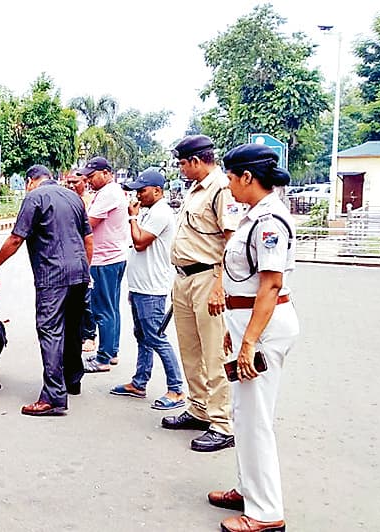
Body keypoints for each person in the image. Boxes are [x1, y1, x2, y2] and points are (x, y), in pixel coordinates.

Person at [207, 144, 297, 532]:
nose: (227, 183)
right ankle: (248, 489)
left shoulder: (269, 221)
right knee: (244, 414)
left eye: (230, 176)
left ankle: (265, 512)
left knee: (255, 417)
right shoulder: (254, 216)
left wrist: (248, 342)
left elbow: (271, 284)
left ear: (247, 177)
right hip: (249, 323)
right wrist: (235, 328)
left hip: (265, 328)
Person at [0, 165, 93, 416]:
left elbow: (15, 238)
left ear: (31, 181)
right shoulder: (73, 196)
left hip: (52, 275)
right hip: (78, 271)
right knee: (73, 327)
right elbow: (88, 239)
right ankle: (72, 380)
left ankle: (54, 397)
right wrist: (85, 271)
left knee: (51, 331)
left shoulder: (35, 197)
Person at [161, 134, 240, 453]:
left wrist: (221, 284)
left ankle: (221, 423)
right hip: (185, 278)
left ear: (195, 161)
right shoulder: (195, 189)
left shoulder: (221, 189)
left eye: (182, 163)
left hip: (209, 278)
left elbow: (231, 240)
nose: (180, 168)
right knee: (190, 350)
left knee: (214, 353)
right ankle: (199, 408)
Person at [108, 168, 186, 410]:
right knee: (142, 336)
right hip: (141, 285)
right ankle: (139, 382)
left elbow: (140, 243)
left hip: (152, 287)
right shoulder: (150, 211)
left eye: (142, 191)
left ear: (157, 191)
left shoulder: (160, 213)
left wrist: (132, 217)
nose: (138, 196)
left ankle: (176, 389)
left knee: (156, 337)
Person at [78, 157, 130, 373]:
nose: (89, 180)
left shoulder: (109, 193)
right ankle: (111, 351)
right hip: (113, 257)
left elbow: (88, 224)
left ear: (107, 173)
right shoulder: (108, 192)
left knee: (102, 310)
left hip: (104, 259)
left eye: (92, 175)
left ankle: (103, 358)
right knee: (111, 308)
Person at [64, 173, 98, 354]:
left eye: (75, 182)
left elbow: (88, 237)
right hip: (70, 257)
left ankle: (90, 336)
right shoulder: (67, 200)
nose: (70, 185)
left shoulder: (89, 201)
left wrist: (87, 265)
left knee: (87, 301)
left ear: (85, 182)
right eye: (68, 182)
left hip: (86, 257)